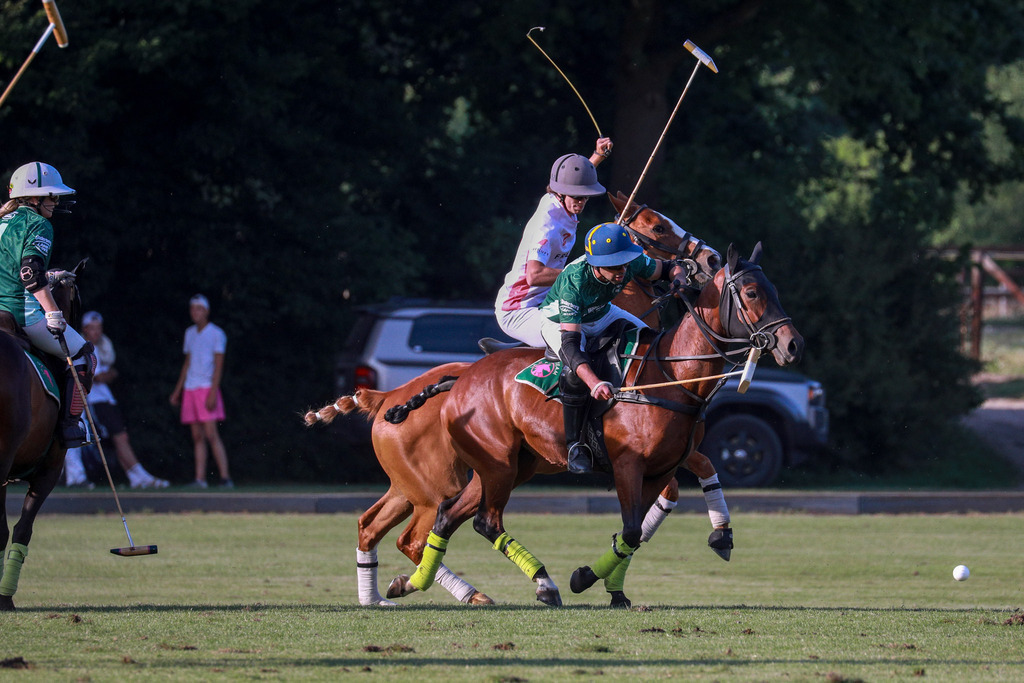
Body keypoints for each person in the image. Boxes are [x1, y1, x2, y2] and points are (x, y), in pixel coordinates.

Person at [538, 222, 687, 474]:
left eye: (625, 263)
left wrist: (679, 280)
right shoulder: (574, 282)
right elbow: (572, 346)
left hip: (602, 312)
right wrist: (595, 383)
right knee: (575, 373)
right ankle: (575, 445)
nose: (622, 270)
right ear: (595, 263)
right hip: (560, 322)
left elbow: (670, 268)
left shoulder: (630, 262)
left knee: (651, 340)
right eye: (614, 266)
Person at [0, 162, 93, 446]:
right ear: (33, 198)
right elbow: (29, 273)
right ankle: (70, 427)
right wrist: (53, 311)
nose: (55, 201)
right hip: (20, 313)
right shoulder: (39, 224)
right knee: (84, 355)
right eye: (51, 195)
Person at [494, 138, 613, 347]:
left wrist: (597, 156)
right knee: (575, 340)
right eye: (577, 196)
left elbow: (576, 179)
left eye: (586, 197)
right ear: (561, 192)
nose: (581, 201)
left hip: (547, 301)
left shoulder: (562, 200)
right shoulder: (547, 224)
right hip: (518, 309)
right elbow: (534, 275)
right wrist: (584, 275)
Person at [80, 311, 168, 488]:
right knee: (120, 437)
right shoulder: (83, 347)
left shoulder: (103, 347)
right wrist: (108, 374)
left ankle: (135, 477)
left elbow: (111, 373)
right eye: (92, 329)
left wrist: (109, 374)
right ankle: (143, 476)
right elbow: (97, 377)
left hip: (107, 399)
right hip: (96, 401)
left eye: (99, 328)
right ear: (85, 330)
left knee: (120, 438)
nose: (96, 332)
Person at [169, 294, 232, 488]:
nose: (195, 312)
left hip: (206, 388)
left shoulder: (216, 333)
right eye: (192, 308)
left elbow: (219, 365)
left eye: (199, 309)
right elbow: (187, 363)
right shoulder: (189, 333)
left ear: (206, 311)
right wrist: (177, 390)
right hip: (190, 388)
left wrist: (213, 392)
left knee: (212, 435)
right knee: (197, 436)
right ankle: (200, 479)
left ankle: (225, 478)